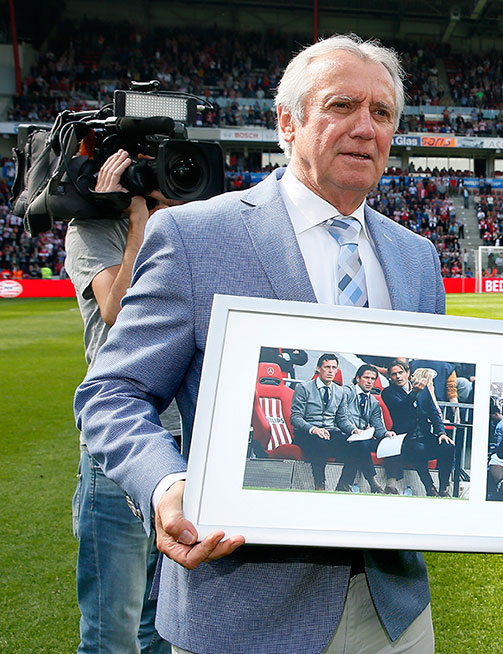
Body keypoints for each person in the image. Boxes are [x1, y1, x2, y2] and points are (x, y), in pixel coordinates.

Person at [74, 34, 443, 654]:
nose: (364, 127)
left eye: (381, 113)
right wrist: (167, 484)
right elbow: (111, 394)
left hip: (393, 609)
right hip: (245, 612)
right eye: (340, 106)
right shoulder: (195, 236)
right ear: (288, 122)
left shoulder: (416, 256)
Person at [66, 150, 176, 654]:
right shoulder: (89, 230)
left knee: (165, 621)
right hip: (118, 440)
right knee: (113, 623)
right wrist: (138, 222)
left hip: (180, 439)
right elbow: (116, 309)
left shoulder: (185, 224)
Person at [381, 362, 454, 496]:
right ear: (390, 377)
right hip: (405, 437)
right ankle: (429, 487)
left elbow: (433, 413)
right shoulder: (388, 392)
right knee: (418, 449)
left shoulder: (423, 389)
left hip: (425, 434)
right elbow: (402, 409)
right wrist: (414, 393)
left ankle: (444, 487)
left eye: (401, 372)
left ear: (408, 373)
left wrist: (441, 432)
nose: (398, 376)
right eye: (394, 374)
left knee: (447, 446)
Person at [335, 363, 395, 493]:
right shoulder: (346, 392)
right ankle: (373, 483)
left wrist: (386, 433)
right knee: (360, 444)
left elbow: (378, 426)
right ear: (358, 378)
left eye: (373, 379)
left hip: (363, 437)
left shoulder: (373, 401)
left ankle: (392, 485)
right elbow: (341, 418)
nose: (369, 381)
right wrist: (354, 430)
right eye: (366, 377)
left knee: (391, 443)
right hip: (346, 435)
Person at [290, 353, 346, 491]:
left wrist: (355, 431)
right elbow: (295, 417)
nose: (331, 371)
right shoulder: (303, 388)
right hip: (306, 433)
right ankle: (319, 484)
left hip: (330, 431)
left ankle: (344, 484)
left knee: (357, 445)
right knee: (319, 443)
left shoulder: (341, 391)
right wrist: (313, 429)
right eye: (327, 367)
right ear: (318, 368)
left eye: (334, 368)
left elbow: (342, 419)